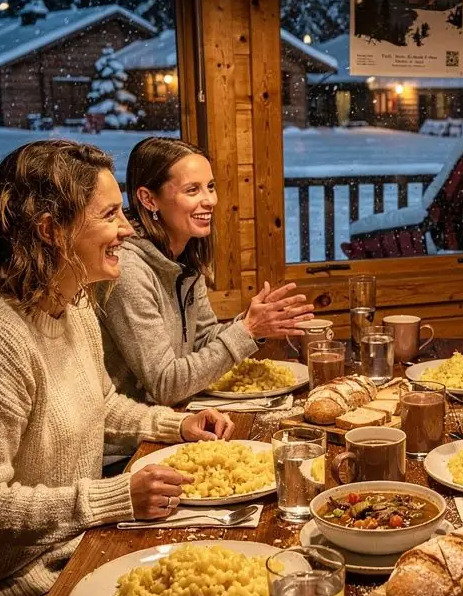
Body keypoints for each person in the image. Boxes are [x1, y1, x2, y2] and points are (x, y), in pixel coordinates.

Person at [0, 140, 232, 596]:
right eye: (110, 215)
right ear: (50, 231)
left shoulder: (73, 306)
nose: (128, 230)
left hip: (71, 557)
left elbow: (102, 404)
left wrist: (174, 424)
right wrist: (114, 496)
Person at [99, 137, 313, 407]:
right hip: (136, 439)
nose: (210, 200)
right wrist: (246, 331)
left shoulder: (184, 256)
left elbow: (202, 341)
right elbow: (166, 385)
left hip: (178, 414)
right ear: (149, 199)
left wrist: (254, 323)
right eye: (192, 190)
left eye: (210, 187)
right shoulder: (127, 271)